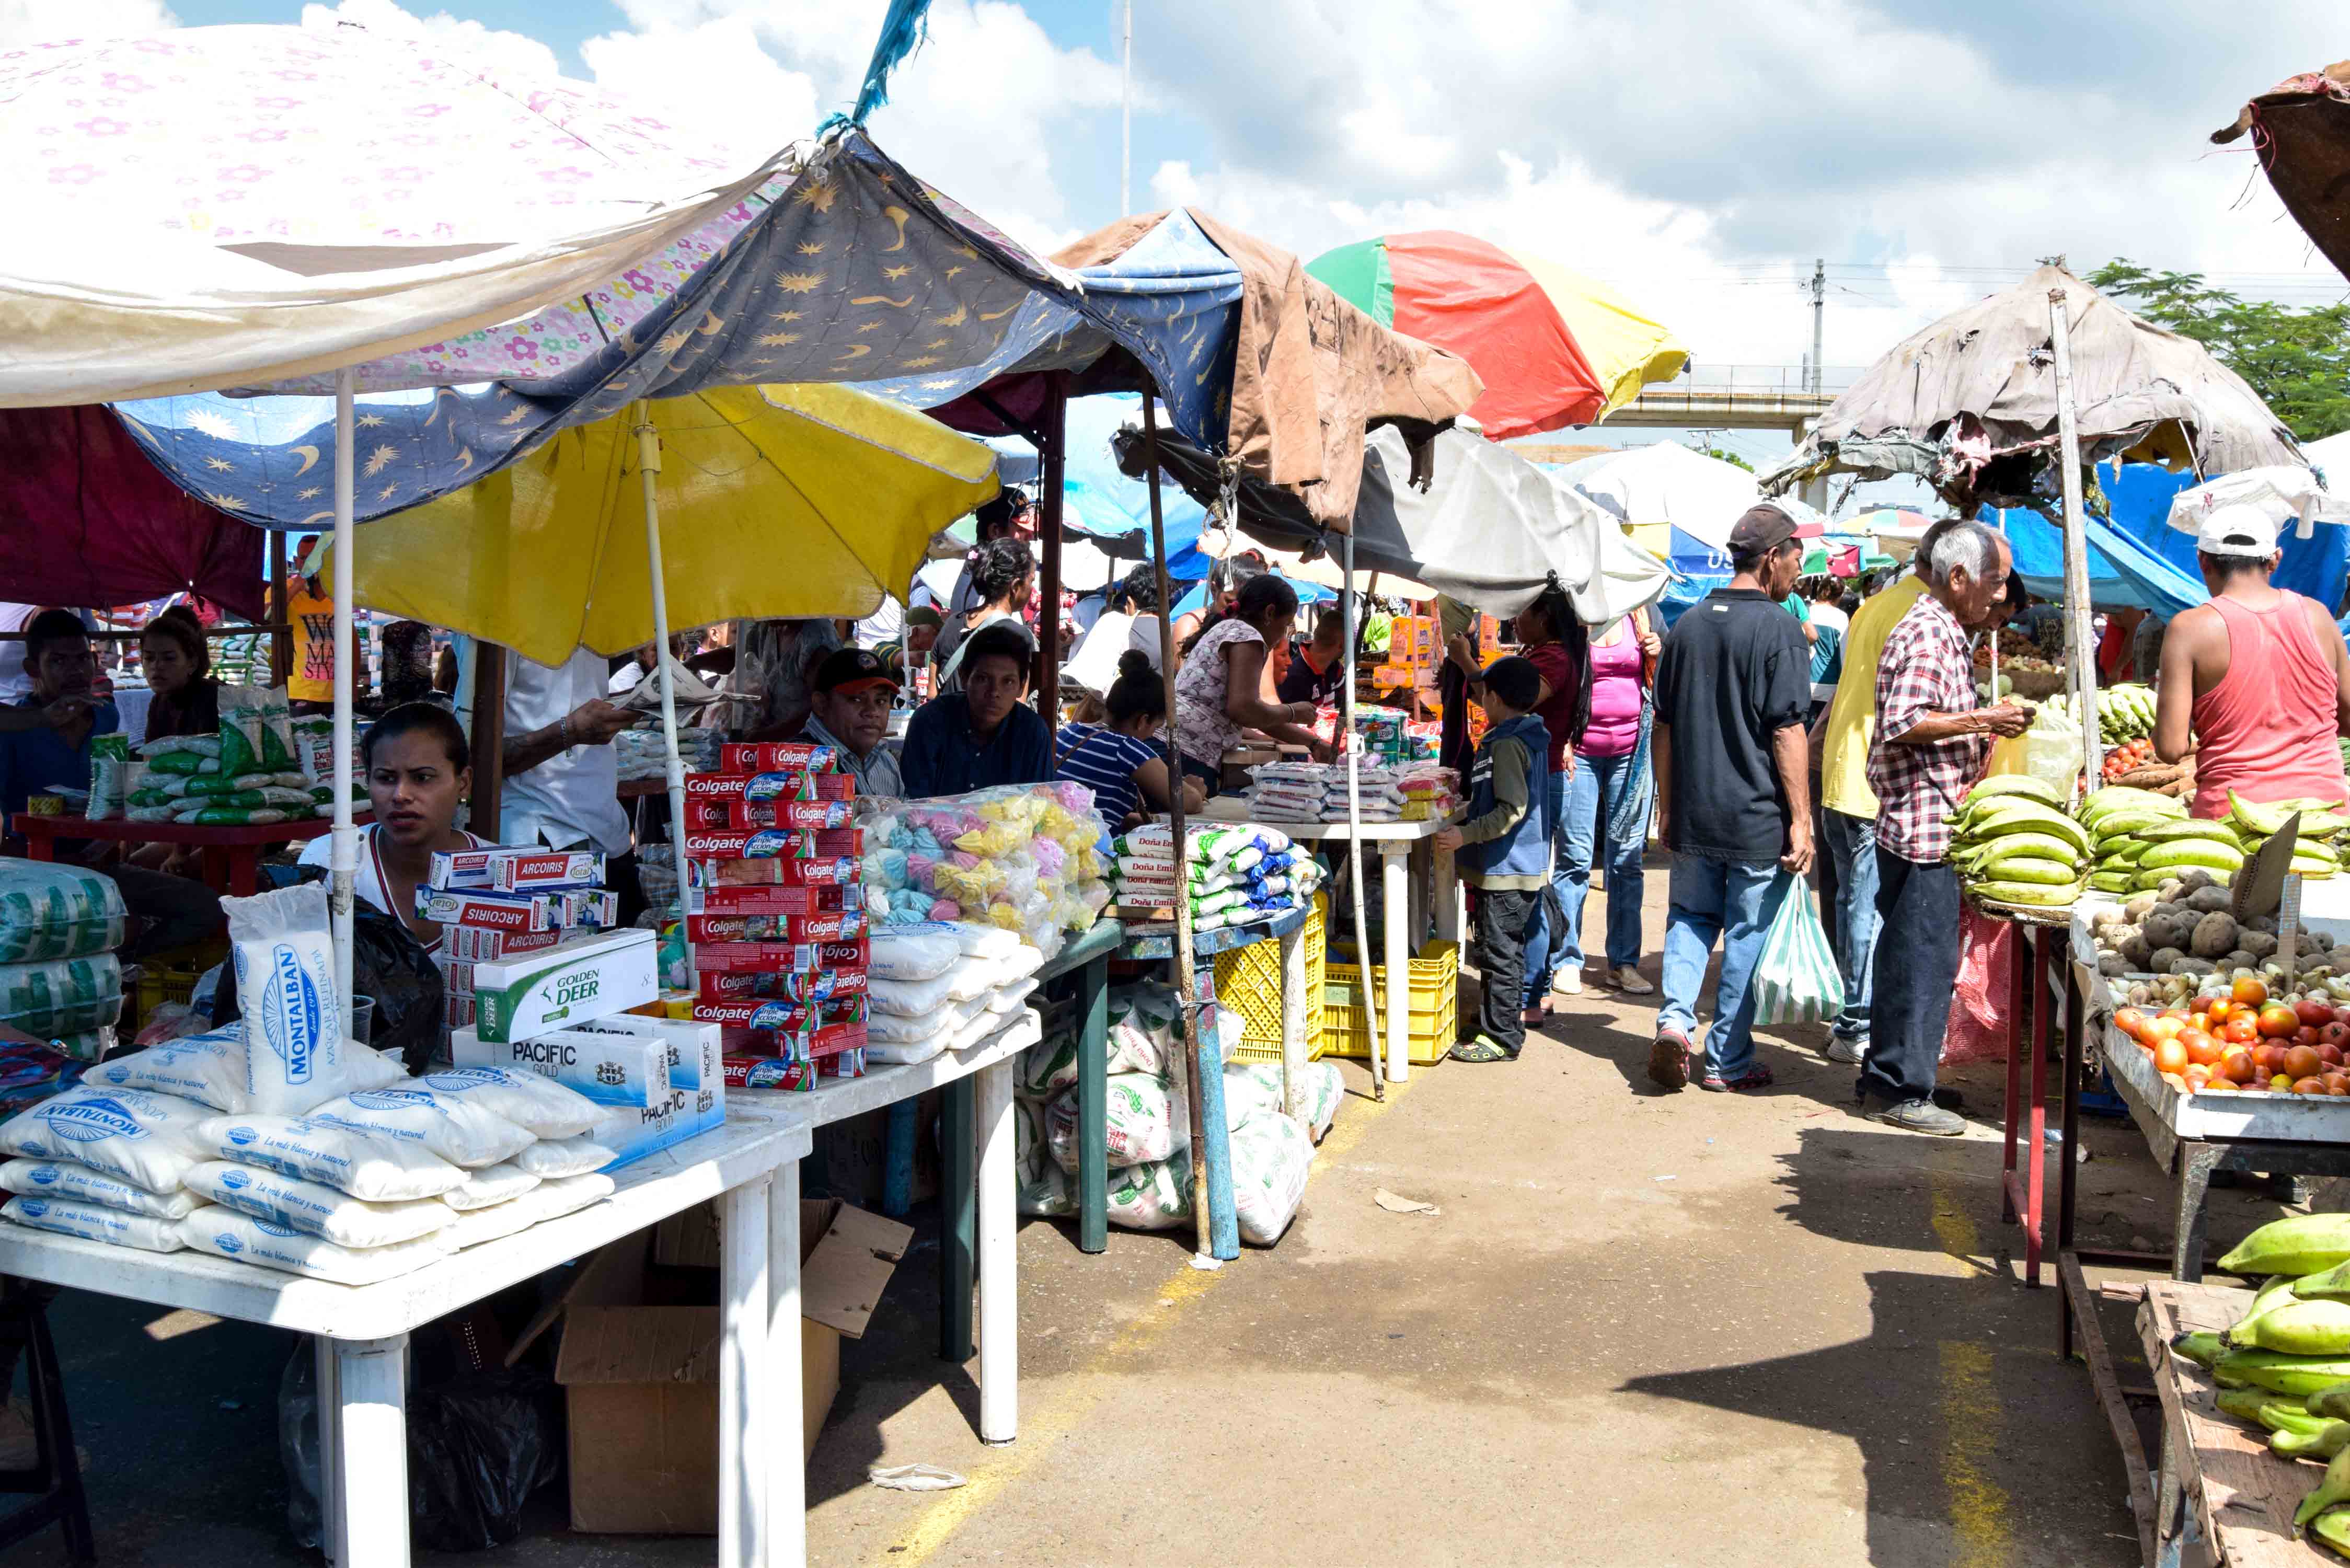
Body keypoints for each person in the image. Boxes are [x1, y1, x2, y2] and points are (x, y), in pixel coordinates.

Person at [1859, 521, 2032, 1135]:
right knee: (1920, 958)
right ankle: (1903, 1089)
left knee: (1910, 954)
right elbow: (1903, 722)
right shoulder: (1927, 633)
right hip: (1920, 824)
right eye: (1993, 580)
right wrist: (1984, 719)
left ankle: (1894, 1075)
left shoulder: (1944, 629)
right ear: (1957, 577)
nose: (2000, 592)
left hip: (1926, 819)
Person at [1650, 505, 1817, 1094]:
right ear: (1771, 558)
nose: (1799, 570)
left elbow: (1661, 727)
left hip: (1694, 811)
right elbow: (1786, 731)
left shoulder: (1687, 626)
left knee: (1689, 920)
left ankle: (1674, 1023)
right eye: (1796, 558)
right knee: (1747, 933)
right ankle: (1725, 1058)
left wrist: (1666, 807)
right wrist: (1801, 821)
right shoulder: (1778, 630)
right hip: (1752, 819)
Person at [1808, 520, 1960, 1069]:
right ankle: (1854, 1022)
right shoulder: (1919, 615)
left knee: (1852, 902)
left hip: (1844, 769)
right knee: (1866, 911)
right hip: (1873, 784)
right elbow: (1907, 716)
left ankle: (1851, 1016)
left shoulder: (1874, 605)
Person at [0, 611, 222, 958]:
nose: (75, 671)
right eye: (58, 661)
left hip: (99, 869)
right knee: (121, 923)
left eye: (82, 660)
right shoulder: (12, 731)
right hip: (32, 876)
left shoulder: (106, 716)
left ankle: (123, 973)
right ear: (32, 669)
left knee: (206, 907)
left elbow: (114, 797)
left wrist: (108, 845)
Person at [2155, 503, 2350, 817]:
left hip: (2236, 820)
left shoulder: (2189, 628)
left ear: (2203, 561)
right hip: (2326, 812)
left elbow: (2170, 748)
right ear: (2275, 560)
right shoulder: (2319, 616)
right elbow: (2348, 717)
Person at [1528, 592, 1658, 1011]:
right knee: (1575, 858)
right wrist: (1565, 740)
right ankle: (1568, 957)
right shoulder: (1576, 617)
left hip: (1633, 754)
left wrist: (1660, 647)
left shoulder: (1642, 610)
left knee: (1627, 860)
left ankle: (1623, 962)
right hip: (1580, 751)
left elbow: (1663, 673)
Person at [298, 702, 493, 950]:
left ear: (463, 783)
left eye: (422, 777)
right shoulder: (329, 861)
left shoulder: (500, 873)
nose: (401, 795)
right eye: (386, 779)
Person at [1435, 655, 1552, 1064]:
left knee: (1501, 954)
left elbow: (1510, 810)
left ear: (1495, 697)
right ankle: (1495, 1023)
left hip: (1506, 869)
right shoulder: (1528, 734)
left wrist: (1465, 833)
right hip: (1516, 868)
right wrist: (1465, 809)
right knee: (1500, 951)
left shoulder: (1506, 742)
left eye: (1483, 693)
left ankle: (1502, 1037)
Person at [499, 647, 643, 922]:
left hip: (608, 832)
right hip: (543, 835)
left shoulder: (595, 615)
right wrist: (570, 732)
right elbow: (474, 752)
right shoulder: (501, 629)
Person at [1171, 573, 1334, 794]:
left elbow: (1257, 715)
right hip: (1190, 752)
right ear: (1269, 614)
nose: (1281, 636)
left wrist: (1314, 744)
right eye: (1285, 626)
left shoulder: (1229, 628)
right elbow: (1243, 709)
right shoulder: (1247, 636)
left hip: (1180, 745)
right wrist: (1292, 712)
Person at [900, 622, 1054, 797]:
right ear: (964, 677)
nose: (994, 692)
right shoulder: (930, 722)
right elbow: (914, 804)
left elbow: (1040, 806)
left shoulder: (1032, 732)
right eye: (983, 679)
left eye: (1008, 682)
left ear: (1021, 686)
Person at [1055, 650, 1204, 829]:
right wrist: (1198, 790)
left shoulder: (1069, 733)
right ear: (1143, 721)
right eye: (1156, 727)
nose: (1153, 735)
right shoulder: (1127, 750)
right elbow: (1188, 802)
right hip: (1090, 848)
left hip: (1056, 836)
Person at [796, 646, 905, 798]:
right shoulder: (797, 763)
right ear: (821, 704)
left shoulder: (885, 761)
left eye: (880, 701)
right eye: (856, 699)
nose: (872, 712)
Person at [932, 536, 1036, 693]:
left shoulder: (952, 623)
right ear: (1016, 586)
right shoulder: (1018, 636)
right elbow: (1017, 704)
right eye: (1031, 581)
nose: (1032, 589)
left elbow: (932, 694)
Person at [137, 605, 222, 744]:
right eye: (149, 658)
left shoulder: (214, 698)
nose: (157, 666)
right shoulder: (158, 702)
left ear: (192, 663)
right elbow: (150, 758)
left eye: (169, 658)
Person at [1276, 608, 1348, 707]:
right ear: (1342, 644)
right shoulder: (1294, 676)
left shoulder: (1336, 668)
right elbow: (1287, 719)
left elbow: (1344, 707)